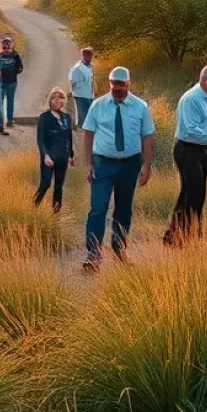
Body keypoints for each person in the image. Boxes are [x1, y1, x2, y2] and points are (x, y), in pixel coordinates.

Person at [81, 66, 155, 270]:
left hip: (130, 164)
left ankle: (119, 248)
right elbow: (87, 133)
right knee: (98, 208)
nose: (116, 88)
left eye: (121, 84)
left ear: (129, 84)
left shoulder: (140, 107)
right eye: (113, 84)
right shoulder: (98, 105)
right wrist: (88, 163)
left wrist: (146, 166)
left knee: (123, 210)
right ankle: (94, 253)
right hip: (103, 164)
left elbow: (147, 136)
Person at [163, 64, 207, 248]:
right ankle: (188, 238)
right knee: (194, 195)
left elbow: (202, 130)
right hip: (188, 149)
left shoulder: (205, 99)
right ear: (205, 79)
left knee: (190, 194)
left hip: (199, 150)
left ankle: (173, 237)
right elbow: (191, 131)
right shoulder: (193, 98)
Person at [34, 88, 75, 212]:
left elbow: (69, 137)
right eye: (54, 97)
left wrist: (71, 155)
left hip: (62, 156)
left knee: (59, 186)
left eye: (61, 97)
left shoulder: (67, 118)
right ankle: (32, 207)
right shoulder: (44, 117)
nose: (58, 100)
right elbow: (40, 140)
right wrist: (45, 155)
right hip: (49, 156)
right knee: (45, 184)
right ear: (50, 100)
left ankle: (56, 213)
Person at [0, 36, 24, 128]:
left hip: (12, 82)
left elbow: (20, 67)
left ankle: (9, 120)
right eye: (4, 45)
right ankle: (0, 120)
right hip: (1, 83)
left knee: (10, 101)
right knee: (0, 102)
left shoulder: (15, 55)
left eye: (7, 45)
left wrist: (14, 72)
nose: (6, 47)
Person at [68, 48, 96, 129]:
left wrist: (93, 90)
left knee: (88, 115)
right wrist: (72, 92)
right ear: (83, 56)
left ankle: (84, 131)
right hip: (80, 95)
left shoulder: (90, 66)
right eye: (87, 56)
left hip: (89, 95)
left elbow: (91, 80)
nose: (89, 58)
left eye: (91, 56)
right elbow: (72, 81)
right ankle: (80, 133)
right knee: (82, 116)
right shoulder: (77, 68)